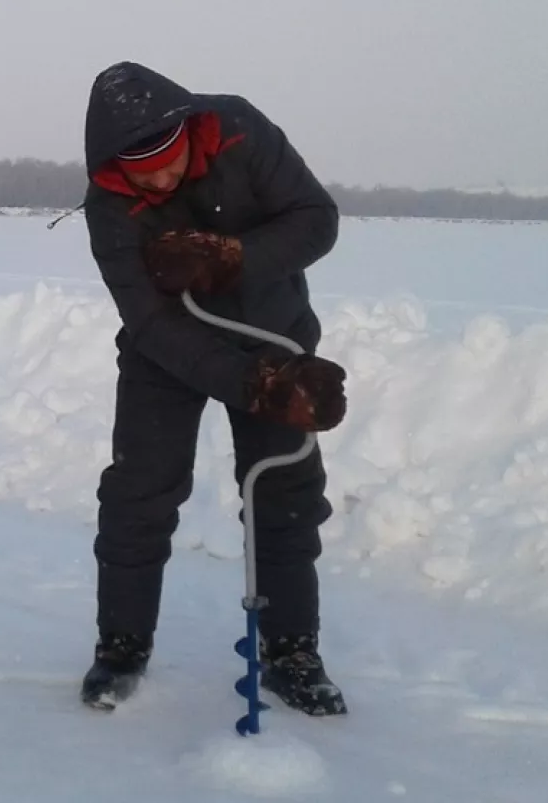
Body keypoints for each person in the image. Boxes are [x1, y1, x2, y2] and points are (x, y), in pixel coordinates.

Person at [77, 60, 349, 716]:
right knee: (139, 493)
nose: (163, 179)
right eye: (147, 175)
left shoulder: (238, 130)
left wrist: (233, 257)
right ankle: (121, 648)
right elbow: (148, 319)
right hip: (163, 351)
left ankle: (291, 653)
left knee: (283, 491)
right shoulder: (109, 205)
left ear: (188, 134)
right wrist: (251, 385)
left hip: (273, 334)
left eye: (171, 162)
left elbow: (316, 218)